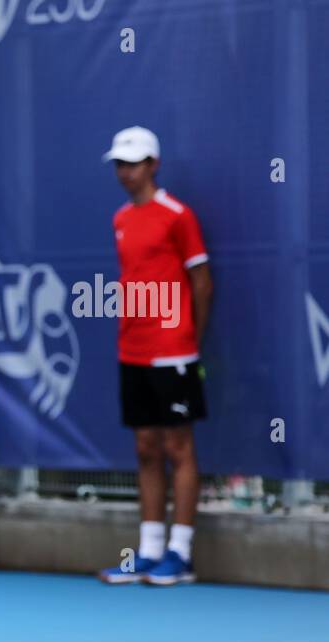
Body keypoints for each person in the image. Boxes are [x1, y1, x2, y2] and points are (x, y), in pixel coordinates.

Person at [96, 126, 213, 587]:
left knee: (177, 447)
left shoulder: (178, 215)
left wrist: (189, 339)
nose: (126, 172)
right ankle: (147, 551)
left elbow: (202, 282)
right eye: (120, 164)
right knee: (145, 447)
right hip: (133, 349)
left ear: (153, 164)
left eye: (134, 163)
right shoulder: (121, 218)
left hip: (174, 352)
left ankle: (179, 553)